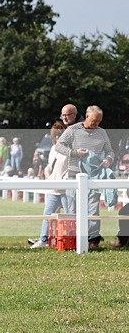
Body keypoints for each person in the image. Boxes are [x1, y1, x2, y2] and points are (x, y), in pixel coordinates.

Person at [54, 105, 114, 249]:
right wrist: (74, 152)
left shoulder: (102, 132)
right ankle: (73, 240)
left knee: (93, 210)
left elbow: (110, 151)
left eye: (99, 121)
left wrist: (108, 159)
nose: (96, 124)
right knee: (72, 210)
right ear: (87, 117)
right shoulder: (72, 130)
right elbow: (59, 146)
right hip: (74, 176)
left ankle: (93, 241)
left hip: (94, 177)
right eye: (94, 120)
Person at [29, 122, 70, 248]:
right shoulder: (53, 149)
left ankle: (71, 240)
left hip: (66, 189)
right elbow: (49, 166)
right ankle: (43, 240)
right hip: (53, 189)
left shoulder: (70, 150)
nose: (58, 137)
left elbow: (70, 168)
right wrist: (47, 175)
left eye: (60, 134)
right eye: (56, 134)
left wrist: (63, 180)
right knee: (47, 214)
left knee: (70, 216)